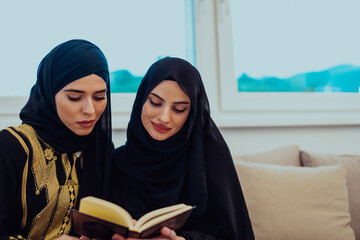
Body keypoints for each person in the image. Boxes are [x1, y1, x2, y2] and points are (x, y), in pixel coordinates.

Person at [111, 57, 254, 240]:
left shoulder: (210, 157)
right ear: (141, 100)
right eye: (155, 102)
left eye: (179, 109)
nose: (164, 117)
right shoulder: (116, 162)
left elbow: (232, 234)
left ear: (192, 115)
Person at [0, 39, 113, 240]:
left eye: (99, 97)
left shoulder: (99, 147)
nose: (90, 110)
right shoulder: (11, 147)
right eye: (74, 98)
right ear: (49, 93)